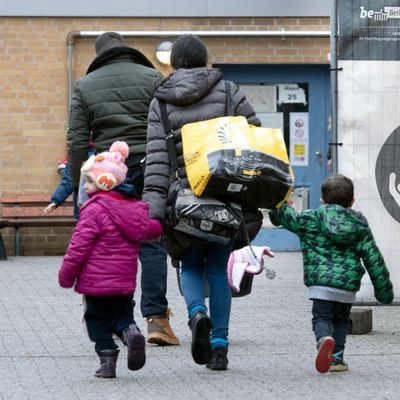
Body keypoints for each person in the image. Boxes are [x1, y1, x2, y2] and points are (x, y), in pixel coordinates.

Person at [142, 34, 261, 370]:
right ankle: (220, 346)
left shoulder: (160, 102)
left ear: (174, 62)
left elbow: (156, 161)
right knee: (219, 271)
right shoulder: (228, 90)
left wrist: (153, 210)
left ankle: (197, 315)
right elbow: (254, 135)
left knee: (190, 264)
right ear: (205, 60)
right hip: (225, 196)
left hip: (182, 202)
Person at [66, 31, 179, 345]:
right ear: (127, 51)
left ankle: (121, 320)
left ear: (99, 55)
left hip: (109, 172)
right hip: (152, 165)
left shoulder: (85, 86)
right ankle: (157, 320)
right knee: (152, 241)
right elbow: (171, 126)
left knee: (111, 244)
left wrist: (80, 186)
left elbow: (76, 142)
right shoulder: (152, 76)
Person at [269, 174, 394, 374]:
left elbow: (286, 217)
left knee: (321, 318)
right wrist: (384, 293)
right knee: (342, 321)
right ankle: (336, 358)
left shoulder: (309, 218)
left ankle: (323, 339)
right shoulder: (359, 225)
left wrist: (281, 205)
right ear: (352, 200)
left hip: (320, 285)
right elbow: (373, 259)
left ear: (322, 199)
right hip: (347, 286)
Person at [58, 141, 163, 379]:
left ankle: (107, 362)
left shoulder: (93, 210)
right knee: (122, 315)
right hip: (123, 284)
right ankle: (130, 332)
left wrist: (66, 275)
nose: (86, 186)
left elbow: (78, 247)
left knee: (96, 321)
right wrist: (160, 227)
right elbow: (150, 229)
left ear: (104, 182)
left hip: (94, 285)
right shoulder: (134, 208)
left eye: (90, 181)